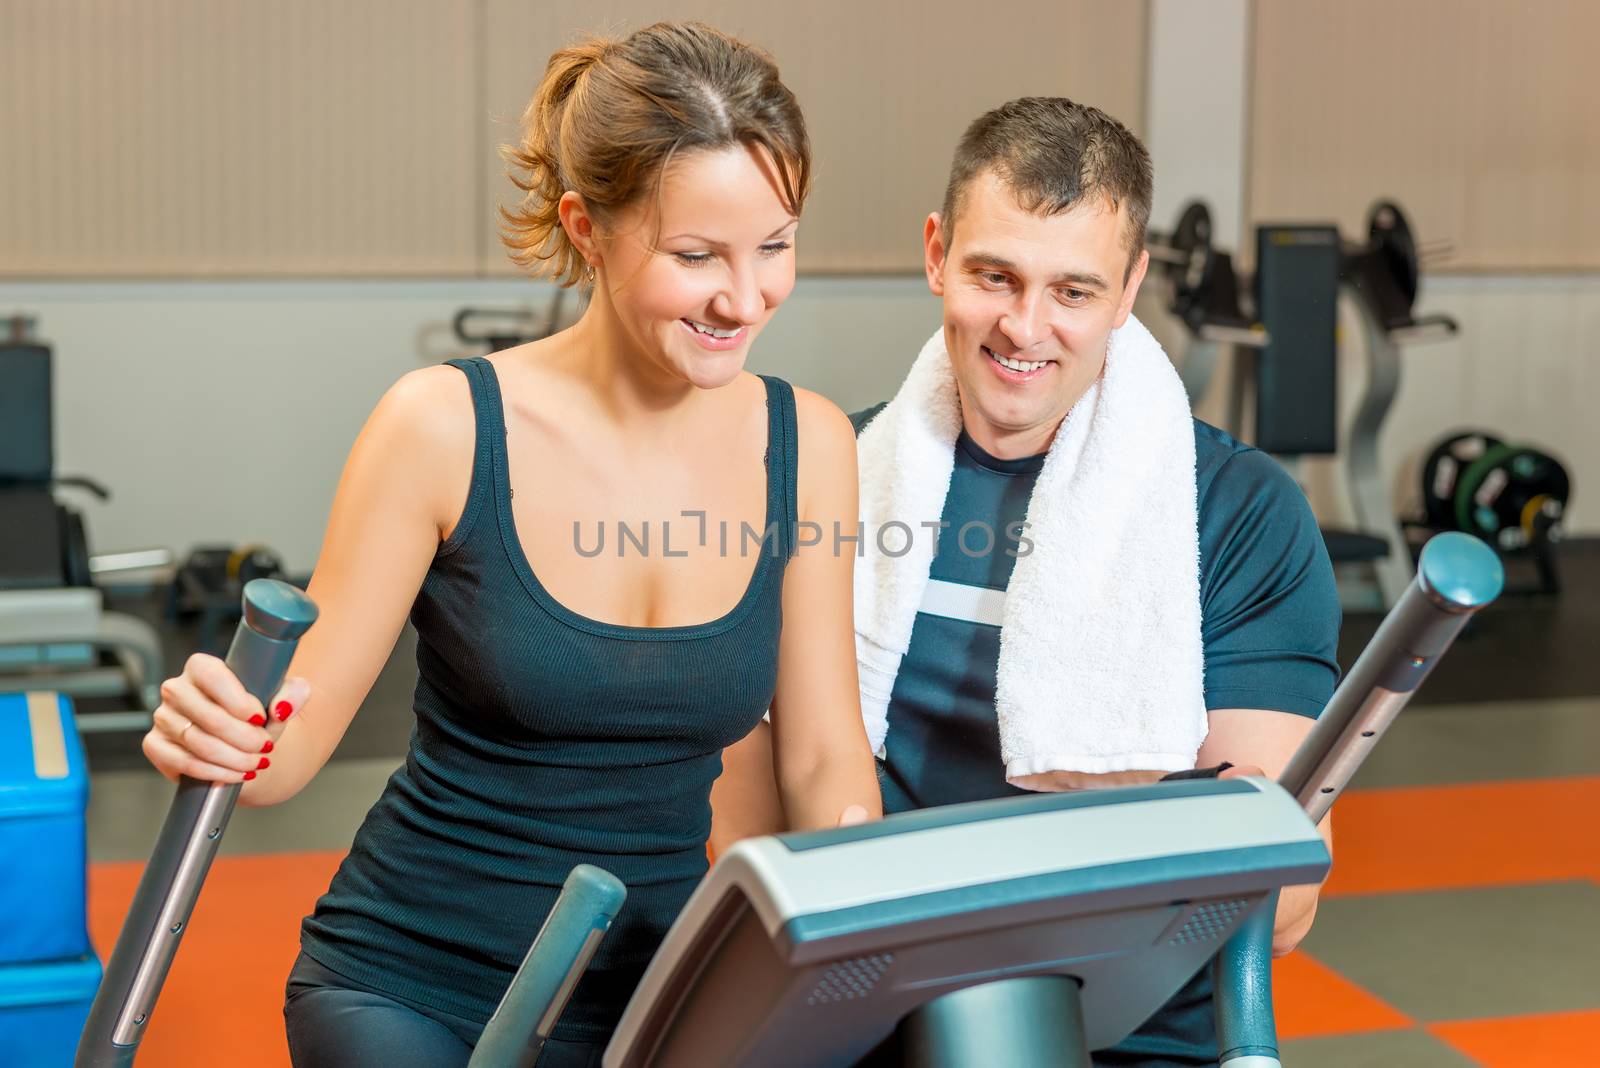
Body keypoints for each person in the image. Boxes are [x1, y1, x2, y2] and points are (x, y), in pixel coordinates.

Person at [140, 22, 879, 1068]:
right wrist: (224, 734)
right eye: (696, 255)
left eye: (776, 245)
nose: (744, 296)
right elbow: (288, 741)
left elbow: (817, 752)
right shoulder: (439, 427)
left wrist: (862, 932)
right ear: (588, 227)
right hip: (411, 984)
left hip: (654, 1004)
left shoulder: (810, 444)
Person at [711, 97, 1341, 1067]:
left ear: (1130, 289)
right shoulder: (830, 476)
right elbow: (741, 833)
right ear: (935, 255)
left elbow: (1280, 902)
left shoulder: (1236, 512)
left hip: (1129, 1022)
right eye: (992, 275)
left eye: (1073, 292)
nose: (1024, 326)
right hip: (862, 1002)